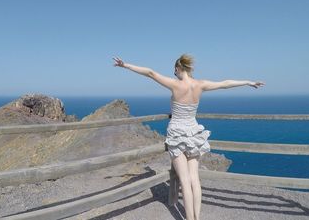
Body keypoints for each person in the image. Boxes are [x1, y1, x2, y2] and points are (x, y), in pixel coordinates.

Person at [113, 54, 264, 220]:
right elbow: (225, 84)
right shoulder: (200, 84)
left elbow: (150, 73)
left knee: (184, 180)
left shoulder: (175, 85)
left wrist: (125, 65)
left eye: (174, 71)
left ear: (178, 69)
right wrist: (248, 82)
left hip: (177, 134)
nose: (174, 74)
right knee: (194, 179)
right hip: (194, 134)